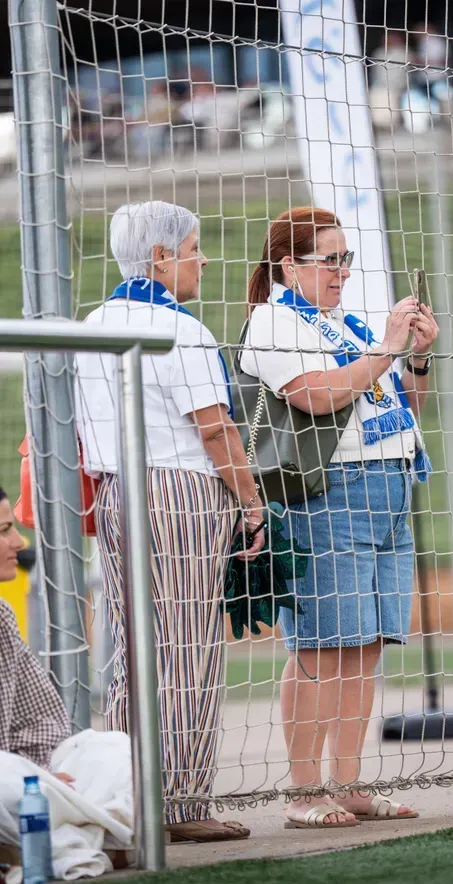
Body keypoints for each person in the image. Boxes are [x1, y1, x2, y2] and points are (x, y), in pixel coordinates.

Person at [240, 207, 439, 827]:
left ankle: (348, 782)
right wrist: (385, 347)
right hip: (328, 494)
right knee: (320, 646)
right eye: (330, 260)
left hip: (389, 489)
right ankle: (304, 793)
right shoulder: (273, 320)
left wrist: (416, 360)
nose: (342, 272)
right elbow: (316, 394)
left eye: (345, 259)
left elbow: (405, 406)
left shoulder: (342, 322)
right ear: (288, 265)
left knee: (367, 643)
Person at [75, 200, 266, 842]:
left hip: (115, 492)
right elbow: (215, 429)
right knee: (186, 648)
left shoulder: (95, 320)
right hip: (180, 490)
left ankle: (127, 796)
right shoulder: (181, 329)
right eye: (193, 248)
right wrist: (250, 501)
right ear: (160, 258)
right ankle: (181, 804)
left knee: (134, 650)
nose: (203, 259)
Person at [0, 489, 134, 881]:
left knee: (115, 749)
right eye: (5, 530)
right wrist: (33, 779)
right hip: (15, 778)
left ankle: (46, 847)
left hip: (39, 779)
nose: (18, 542)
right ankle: (87, 842)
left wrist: (40, 778)